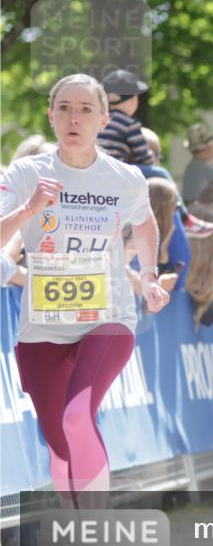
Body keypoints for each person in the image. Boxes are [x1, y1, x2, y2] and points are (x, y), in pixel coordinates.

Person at [0, 73, 169, 509]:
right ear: (51, 115)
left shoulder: (124, 177)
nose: (74, 117)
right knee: (58, 440)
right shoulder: (24, 173)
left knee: (78, 417)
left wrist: (148, 274)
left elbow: (145, 220)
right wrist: (29, 209)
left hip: (108, 318)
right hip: (44, 325)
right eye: (65, 108)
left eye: (86, 109)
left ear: (104, 118)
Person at [96, 69, 154, 166]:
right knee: (161, 172)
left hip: (95, 167)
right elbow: (143, 156)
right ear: (133, 99)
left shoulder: (99, 120)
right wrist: (151, 161)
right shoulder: (129, 123)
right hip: (116, 170)